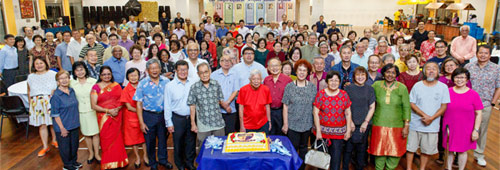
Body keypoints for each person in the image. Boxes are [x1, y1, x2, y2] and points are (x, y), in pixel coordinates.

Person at [406, 62, 450, 170]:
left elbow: (444, 106)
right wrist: (424, 115)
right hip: (415, 123)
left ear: (438, 72)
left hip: (432, 125)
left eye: (434, 69)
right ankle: (408, 168)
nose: (431, 71)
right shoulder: (418, 85)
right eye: (428, 69)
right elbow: (411, 103)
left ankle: (422, 168)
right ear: (424, 71)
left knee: (427, 150)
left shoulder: (443, 87)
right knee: (411, 148)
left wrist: (432, 118)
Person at [369, 64, 410, 170]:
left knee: (395, 152)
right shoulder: (376, 85)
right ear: (383, 73)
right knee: (379, 151)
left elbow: (406, 106)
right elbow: (367, 99)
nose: (390, 75)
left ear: (396, 74)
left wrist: (406, 125)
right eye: (388, 72)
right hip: (379, 123)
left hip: (397, 125)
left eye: (393, 72)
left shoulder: (402, 88)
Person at [464, 45, 500, 167]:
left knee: (481, 130)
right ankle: (460, 152)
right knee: (464, 129)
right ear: (476, 53)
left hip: (485, 104)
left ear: (490, 55)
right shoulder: (469, 67)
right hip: (468, 105)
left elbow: (498, 87)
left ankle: (479, 154)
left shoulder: (496, 69)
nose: (483, 55)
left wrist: (493, 102)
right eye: (481, 53)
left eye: (486, 53)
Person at [134, 59, 172, 170]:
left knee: (163, 140)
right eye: (152, 68)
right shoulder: (142, 83)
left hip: (163, 115)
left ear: (160, 69)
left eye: (156, 68)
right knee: (150, 142)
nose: (154, 70)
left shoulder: (166, 81)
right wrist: (141, 122)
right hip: (148, 116)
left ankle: (163, 160)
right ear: (147, 70)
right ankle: (153, 163)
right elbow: (139, 104)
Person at [442, 68, 483, 170]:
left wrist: (476, 130)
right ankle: (448, 168)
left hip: (466, 128)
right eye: (456, 77)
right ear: (453, 78)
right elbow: (441, 109)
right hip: (449, 126)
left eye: (462, 77)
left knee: (462, 151)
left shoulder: (474, 94)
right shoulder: (447, 92)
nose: (459, 79)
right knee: (449, 150)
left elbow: (479, 113)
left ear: (467, 79)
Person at [313, 71, 353, 170]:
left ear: (339, 82)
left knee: (336, 161)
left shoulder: (344, 94)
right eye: (331, 80)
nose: (334, 83)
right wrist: (318, 131)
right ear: (327, 81)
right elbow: (315, 113)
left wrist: (348, 130)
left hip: (338, 134)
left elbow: (348, 113)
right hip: (322, 133)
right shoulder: (321, 94)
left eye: (336, 80)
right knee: (321, 162)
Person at [90, 66, 128, 169]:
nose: (106, 76)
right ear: (100, 76)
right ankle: (108, 163)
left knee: (118, 139)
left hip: (117, 115)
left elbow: (122, 100)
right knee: (107, 140)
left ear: (111, 75)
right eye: (104, 74)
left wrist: (117, 109)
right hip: (104, 117)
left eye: (108, 74)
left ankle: (120, 161)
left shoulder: (116, 85)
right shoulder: (96, 87)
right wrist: (108, 111)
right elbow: (93, 105)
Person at [282, 59, 316, 170]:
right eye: (299, 70)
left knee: (304, 149)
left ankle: (301, 168)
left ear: (308, 72)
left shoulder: (312, 87)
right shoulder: (289, 87)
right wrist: (285, 124)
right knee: (292, 149)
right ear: (295, 71)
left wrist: (314, 124)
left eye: (304, 70)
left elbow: (315, 107)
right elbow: (285, 106)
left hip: (307, 124)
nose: (301, 72)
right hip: (292, 124)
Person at [164, 60, 196, 170]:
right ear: (176, 71)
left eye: (185, 69)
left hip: (191, 117)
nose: (183, 72)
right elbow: (167, 105)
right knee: (178, 142)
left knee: (191, 142)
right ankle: (180, 163)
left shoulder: (193, 83)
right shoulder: (170, 86)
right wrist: (169, 123)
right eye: (180, 70)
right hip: (177, 118)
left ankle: (189, 162)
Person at [343, 67, 375, 170]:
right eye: (358, 75)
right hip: (350, 122)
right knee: (348, 149)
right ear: (354, 76)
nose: (360, 77)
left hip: (364, 124)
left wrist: (366, 122)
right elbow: (345, 107)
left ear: (366, 76)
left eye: (363, 75)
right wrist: (350, 122)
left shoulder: (370, 89)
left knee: (362, 149)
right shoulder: (348, 88)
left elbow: (372, 107)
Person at [188, 62, 227, 147]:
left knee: (220, 148)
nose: (204, 75)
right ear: (198, 74)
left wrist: (227, 108)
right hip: (203, 125)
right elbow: (192, 106)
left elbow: (220, 101)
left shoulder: (216, 84)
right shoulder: (194, 87)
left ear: (210, 71)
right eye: (201, 73)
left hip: (218, 123)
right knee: (203, 149)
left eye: (206, 72)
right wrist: (193, 124)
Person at [70, 61, 101, 164]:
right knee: (87, 134)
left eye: (81, 69)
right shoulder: (71, 83)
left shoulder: (93, 81)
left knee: (96, 133)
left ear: (85, 70)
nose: (80, 72)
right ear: (74, 72)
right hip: (81, 111)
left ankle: (97, 153)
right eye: (77, 70)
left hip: (93, 110)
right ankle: (91, 153)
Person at [50, 70, 82, 170]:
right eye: (61, 78)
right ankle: (67, 165)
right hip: (63, 126)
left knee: (74, 146)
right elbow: (55, 114)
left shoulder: (72, 91)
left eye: (66, 78)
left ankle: (74, 161)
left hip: (74, 124)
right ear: (57, 81)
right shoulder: (56, 96)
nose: (64, 80)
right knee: (65, 148)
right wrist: (62, 128)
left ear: (69, 79)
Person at [28, 57, 58, 157]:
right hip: (37, 103)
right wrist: (30, 103)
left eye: (41, 63)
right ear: (34, 66)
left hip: (50, 101)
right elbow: (29, 90)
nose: (39, 65)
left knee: (53, 122)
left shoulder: (53, 74)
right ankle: (45, 146)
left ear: (45, 63)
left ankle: (54, 140)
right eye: (37, 63)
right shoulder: (31, 76)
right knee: (42, 125)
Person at [120, 68, 148, 168]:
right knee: (133, 139)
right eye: (131, 76)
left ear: (139, 76)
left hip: (143, 116)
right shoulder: (125, 89)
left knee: (144, 138)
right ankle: (137, 157)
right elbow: (129, 107)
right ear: (128, 77)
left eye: (135, 75)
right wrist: (142, 111)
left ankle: (145, 155)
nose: (133, 77)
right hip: (131, 117)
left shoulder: (143, 86)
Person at [237, 69, 272, 134]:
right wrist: (241, 125)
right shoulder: (243, 90)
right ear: (250, 80)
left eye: (258, 79)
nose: (256, 81)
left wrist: (269, 121)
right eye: (254, 79)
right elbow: (241, 109)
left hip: (263, 124)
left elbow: (267, 106)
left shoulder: (266, 89)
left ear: (261, 80)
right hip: (247, 125)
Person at [264, 58, 292, 135]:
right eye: (272, 66)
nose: (274, 68)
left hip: (282, 111)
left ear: (280, 67)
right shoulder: (266, 80)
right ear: (268, 68)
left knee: (282, 134)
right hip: (270, 111)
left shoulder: (288, 80)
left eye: (276, 66)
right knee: (270, 133)